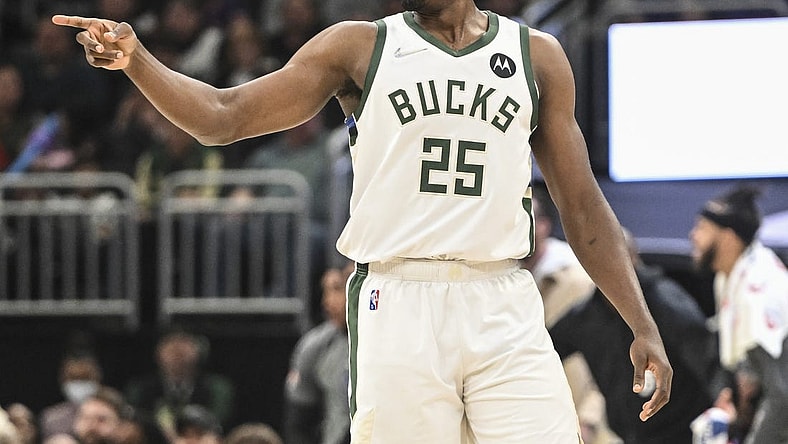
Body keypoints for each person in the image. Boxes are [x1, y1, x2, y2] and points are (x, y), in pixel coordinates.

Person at [52, 1, 673, 442]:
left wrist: (639, 321)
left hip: (504, 298)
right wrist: (137, 61)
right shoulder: (359, 46)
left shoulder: (537, 56)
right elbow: (224, 115)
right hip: (398, 298)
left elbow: (583, 204)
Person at [551, 228, 720, 443]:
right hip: (630, 434)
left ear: (632, 258)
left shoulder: (667, 303)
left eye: (615, 259)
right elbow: (546, 350)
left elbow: (709, 360)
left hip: (682, 431)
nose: (608, 268)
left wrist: (722, 410)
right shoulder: (585, 316)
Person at [520, 184, 620, 444]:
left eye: (524, 216)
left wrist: (587, 419)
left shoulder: (578, 282)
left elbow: (609, 357)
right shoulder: (499, 284)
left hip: (581, 426)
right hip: (526, 421)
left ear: (543, 225)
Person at [689, 185, 788, 443]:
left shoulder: (755, 293)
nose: (693, 235)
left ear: (729, 238)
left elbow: (782, 396)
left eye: (702, 228)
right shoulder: (730, 278)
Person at [284, 263, 355, 444]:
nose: (327, 301)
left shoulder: (388, 343)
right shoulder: (315, 346)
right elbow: (299, 423)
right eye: (325, 291)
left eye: (337, 288)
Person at [124, 329, 235, 439]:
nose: (177, 356)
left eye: (184, 351)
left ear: (199, 354)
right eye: (171, 350)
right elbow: (134, 417)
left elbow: (219, 419)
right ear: (158, 355)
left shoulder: (216, 387)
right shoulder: (141, 388)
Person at [39, 350, 103, 440]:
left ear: (97, 378)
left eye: (85, 378)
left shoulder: (107, 414)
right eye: (74, 378)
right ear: (63, 381)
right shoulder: (51, 418)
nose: (79, 384)